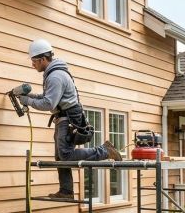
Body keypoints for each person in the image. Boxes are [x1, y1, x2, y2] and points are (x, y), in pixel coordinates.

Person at [14, 39, 122, 200]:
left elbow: (48, 103)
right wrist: (30, 96)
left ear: (43, 59)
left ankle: (105, 151)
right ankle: (66, 191)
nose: (33, 65)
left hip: (68, 117)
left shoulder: (56, 76)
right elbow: (47, 97)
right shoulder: (53, 73)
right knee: (60, 156)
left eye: (34, 61)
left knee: (65, 154)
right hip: (63, 116)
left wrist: (27, 101)